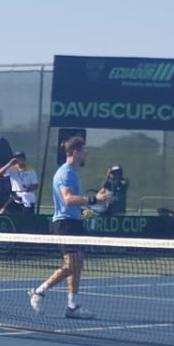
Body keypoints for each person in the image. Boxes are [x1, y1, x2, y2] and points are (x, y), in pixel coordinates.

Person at [29, 136, 109, 319]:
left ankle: (72, 307)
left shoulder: (73, 173)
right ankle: (39, 292)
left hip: (73, 222)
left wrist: (84, 211)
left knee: (77, 264)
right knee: (72, 264)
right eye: (84, 150)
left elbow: (71, 203)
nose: (86, 153)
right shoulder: (65, 173)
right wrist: (93, 199)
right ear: (75, 152)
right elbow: (67, 199)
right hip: (65, 224)